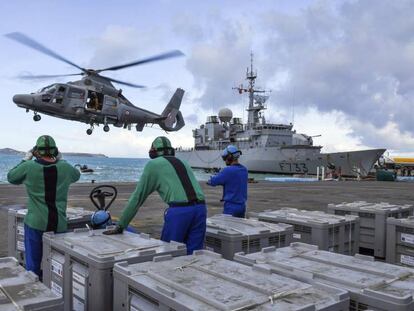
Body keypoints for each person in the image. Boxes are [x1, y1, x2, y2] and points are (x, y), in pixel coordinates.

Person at [103, 136, 206, 254]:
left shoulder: (153, 165)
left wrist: (121, 226)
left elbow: (137, 198)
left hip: (179, 212)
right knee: (195, 254)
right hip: (201, 209)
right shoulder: (183, 162)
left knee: (169, 253)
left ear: (154, 150)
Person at [7, 135, 80, 278]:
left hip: (35, 223)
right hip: (58, 224)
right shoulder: (65, 168)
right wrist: (61, 159)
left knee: (32, 267)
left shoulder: (28, 167)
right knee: (57, 266)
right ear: (56, 151)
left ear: (36, 151)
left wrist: (25, 158)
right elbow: (76, 175)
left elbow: (11, 177)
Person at [207, 145, 248, 218]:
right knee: (239, 227)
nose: (224, 160)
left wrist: (212, 178)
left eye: (224, 158)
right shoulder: (244, 170)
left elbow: (212, 182)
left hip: (231, 207)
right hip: (242, 206)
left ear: (229, 157)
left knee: (227, 227)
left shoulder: (227, 170)